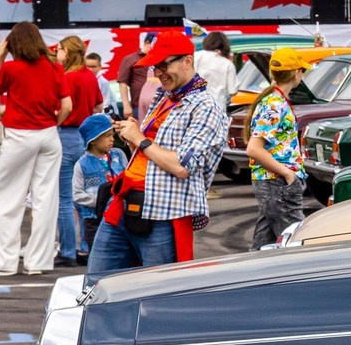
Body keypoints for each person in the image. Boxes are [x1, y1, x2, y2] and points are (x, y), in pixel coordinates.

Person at [87, 28, 227, 277]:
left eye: (164, 65)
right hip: (124, 202)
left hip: (164, 213)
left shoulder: (206, 106)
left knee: (156, 297)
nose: (159, 73)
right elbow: (146, 153)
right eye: (155, 67)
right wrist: (131, 136)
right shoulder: (164, 97)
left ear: (187, 61)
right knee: (97, 287)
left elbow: (182, 166)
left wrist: (138, 138)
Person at [0, 22, 72, 277]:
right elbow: (67, 105)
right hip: (48, 136)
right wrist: (53, 124)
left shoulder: (11, 68)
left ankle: (2, 261)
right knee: (45, 199)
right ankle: (39, 262)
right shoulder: (55, 67)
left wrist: (0, 57)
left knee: (6, 196)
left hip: (20, 136)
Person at [245, 62, 305, 248]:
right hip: (277, 181)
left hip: (272, 181)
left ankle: (252, 274)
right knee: (296, 240)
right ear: (296, 73)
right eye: (302, 71)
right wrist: (288, 174)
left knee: (265, 242)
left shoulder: (273, 101)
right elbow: (254, 148)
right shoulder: (274, 105)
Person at [51, 38, 91, 264]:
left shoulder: (66, 78)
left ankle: (67, 250)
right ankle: (85, 247)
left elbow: (62, 107)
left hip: (66, 136)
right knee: (83, 197)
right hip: (85, 137)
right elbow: (96, 106)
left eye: (59, 50)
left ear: (67, 52)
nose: (57, 53)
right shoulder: (89, 77)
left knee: (64, 198)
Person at [69, 113, 117, 257]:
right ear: (93, 140)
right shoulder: (82, 165)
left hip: (118, 216)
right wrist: (102, 200)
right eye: (107, 136)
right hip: (94, 219)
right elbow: (77, 196)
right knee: (98, 256)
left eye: (112, 134)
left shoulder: (118, 156)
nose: (112, 139)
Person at [194, 30, 237, 100]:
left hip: (197, 103)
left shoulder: (197, 56)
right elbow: (233, 91)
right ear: (225, 45)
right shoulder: (228, 64)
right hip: (218, 106)